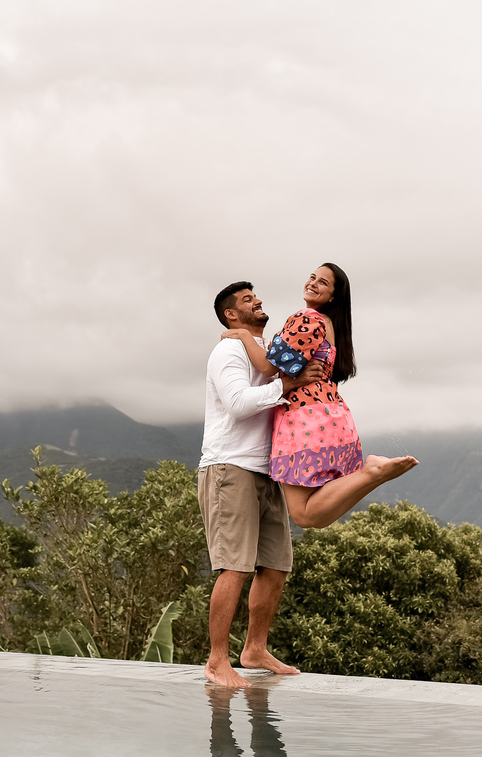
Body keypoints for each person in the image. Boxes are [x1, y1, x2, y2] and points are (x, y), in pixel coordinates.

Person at [221, 263, 418, 529]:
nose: (313, 283)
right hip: (331, 418)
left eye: (323, 283)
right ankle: (373, 475)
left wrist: (244, 335)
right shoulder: (329, 324)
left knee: (303, 514)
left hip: (305, 421)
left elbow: (268, 367)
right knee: (314, 516)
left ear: (334, 296)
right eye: (313, 277)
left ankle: (371, 471)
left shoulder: (308, 318)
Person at [200, 281, 323, 689]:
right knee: (234, 565)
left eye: (257, 296)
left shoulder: (262, 350)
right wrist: (284, 387)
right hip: (229, 467)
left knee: (276, 564)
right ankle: (217, 661)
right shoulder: (228, 351)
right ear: (231, 315)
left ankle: (254, 649)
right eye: (248, 300)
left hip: (268, 470)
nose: (258, 301)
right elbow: (237, 404)